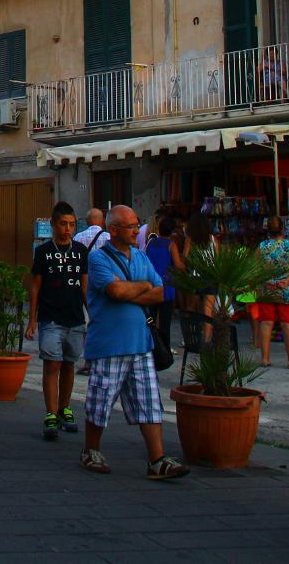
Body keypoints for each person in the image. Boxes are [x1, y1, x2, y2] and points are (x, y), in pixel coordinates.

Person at [78, 205, 188, 480]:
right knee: (100, 401)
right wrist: (141, 287)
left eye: (137, 225)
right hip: (109, 343)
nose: (136, 230)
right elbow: (113, 290)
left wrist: (130, 291)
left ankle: (157, 459)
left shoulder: (140, 256)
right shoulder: (99, 259)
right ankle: (90, 450)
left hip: (140, 343)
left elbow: (160, 292)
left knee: (149, 403)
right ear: (113, 229)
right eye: (130, 226)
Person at [27, 202, 88, 442]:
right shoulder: (43, 252)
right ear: (53, 224)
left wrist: (90, 313)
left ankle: (65, 408)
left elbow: (84, 284)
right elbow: (36, 286)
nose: (67, 229)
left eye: (71, 225)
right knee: (52, 363)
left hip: (75, 317)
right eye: (63, 224)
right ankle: (50, 413)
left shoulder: (81, 251)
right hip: (51, 317)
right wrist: (32, 319)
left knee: (69, 363)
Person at [254, 215, 289, 369]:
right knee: (288, 325)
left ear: (268, 230)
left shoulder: (262, 247)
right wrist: (288, 280)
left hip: (267, 290)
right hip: (287, 291)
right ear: (282, 229)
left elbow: (253, 267)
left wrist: (265, 280)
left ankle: (265, 358)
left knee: (266, 322)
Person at [144, 216, 179, 351]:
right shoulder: (171, 245)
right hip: (166, 286)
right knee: (165, 321)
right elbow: (178, 265)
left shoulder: (151, 243)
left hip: (152, 285)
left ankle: (150, 345)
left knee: (150, 318)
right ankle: (164, 347)